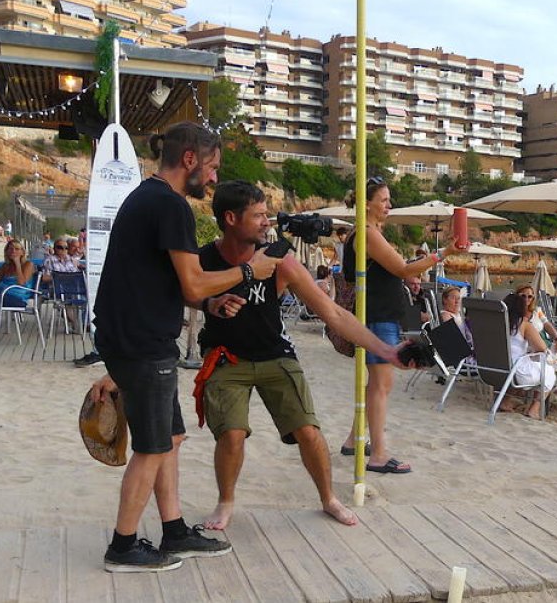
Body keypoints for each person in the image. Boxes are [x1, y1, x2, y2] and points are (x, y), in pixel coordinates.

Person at [91, 121, 278, 573]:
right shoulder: (169, 205)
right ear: (190, 159)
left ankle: (173, 531)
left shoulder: (150, 198)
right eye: (212, 167)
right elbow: (193, 278)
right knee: (153, 447)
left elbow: (180, 285)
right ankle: (123, 545)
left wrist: (211, 301)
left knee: (170, 438)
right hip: (141, 342)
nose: (214, 178)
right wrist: (252, 270)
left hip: (134, 337)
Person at [178, 181, 407, 530]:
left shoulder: (279, 260)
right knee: (232, 434)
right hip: (226, 357)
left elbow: (334, 314)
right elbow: (182, 292)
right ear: (230, 219)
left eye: (266, 215)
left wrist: (386, 350)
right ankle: (225, 502)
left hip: (275, 355)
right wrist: (210, 302)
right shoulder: (205, 258)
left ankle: (328, 498)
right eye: (257, 216)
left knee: (309, 431)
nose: (266, 222)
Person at [338, 177, 461, 474]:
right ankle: (378, 455)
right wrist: (443, 253)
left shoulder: (362, 233)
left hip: (377, 314)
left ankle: (355, 441)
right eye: (384, 200)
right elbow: (403, 269)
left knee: (376, 383)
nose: (389, 205)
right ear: (367, 203)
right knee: (382, 384)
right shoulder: (367, 233)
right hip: (378, 316)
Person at [514, 284, 557, 357]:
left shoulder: (537, 311)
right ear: (517, 296)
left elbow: (546, 324)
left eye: (530, 296)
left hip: (542, 344)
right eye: (523, 296)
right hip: (524, 349)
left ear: (533, 298)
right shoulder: (513, 314)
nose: (526, 299)